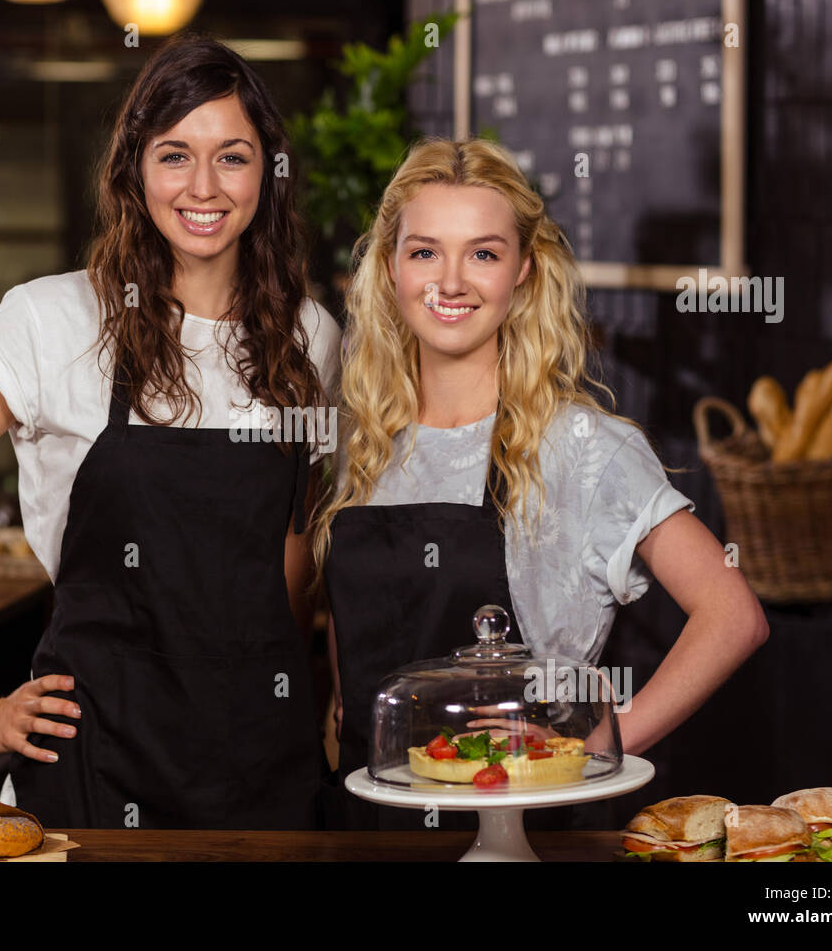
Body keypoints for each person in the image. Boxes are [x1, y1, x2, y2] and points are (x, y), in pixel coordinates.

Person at [0, 33, 341, 830]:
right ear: (133, 169)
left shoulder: (311, 336)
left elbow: (290, 557)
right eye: (175, 154)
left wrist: (310, 704)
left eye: (234, 156)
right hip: (95, 770)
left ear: (269, 174)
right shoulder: (51, 321)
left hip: (263, 769)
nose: (204, 186)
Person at [311, 137, 769, 830]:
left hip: (516, 829)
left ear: (524, 270)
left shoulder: (581, 445)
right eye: (425, 251)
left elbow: (733, 616)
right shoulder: (367, 439)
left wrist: (601, 747)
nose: (451, 280)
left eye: (484, 253)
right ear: (390, 268)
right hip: (361, 824)